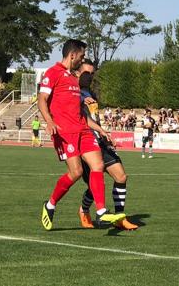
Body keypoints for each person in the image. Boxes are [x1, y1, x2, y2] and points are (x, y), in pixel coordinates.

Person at [38, 39, 125, 231]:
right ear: (73, 55)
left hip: (83, 130)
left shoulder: (73, 80)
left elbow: (82, 115)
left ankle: (101, 212)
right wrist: (49, 121)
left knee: (98, 165)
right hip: (65, 132)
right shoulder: (53, 73)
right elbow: (41, 99)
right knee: (76, 172)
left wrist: (100, 130)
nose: (82, 59)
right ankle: (50, 204)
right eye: (82, 56)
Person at [76, 59, 139, 230]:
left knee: (121, 176)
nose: (90, 76)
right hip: (85, 142)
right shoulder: (74, 93)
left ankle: (119, 217)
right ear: (78, 73)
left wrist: (103, 133)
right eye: (87, 73)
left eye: (92, 73)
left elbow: (93, 118)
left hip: (100, 141)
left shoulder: (91, 94)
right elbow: (79, 117)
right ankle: (84, 210)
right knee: (93, 185)